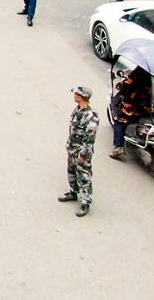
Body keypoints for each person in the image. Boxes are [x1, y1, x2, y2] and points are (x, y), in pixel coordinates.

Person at [58, 86, 98, 217]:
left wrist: (82, 155)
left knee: (84, 176)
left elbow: (89, 139)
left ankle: (85, 203)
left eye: (76, 94)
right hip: (72, 148)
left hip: (81, 151)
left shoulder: (91, 116)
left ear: (81, 97)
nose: (74, 95)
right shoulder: (78, 110)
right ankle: (73, 192)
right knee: (71, 171)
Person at [108, 67, 149, 160]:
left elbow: (123, 86)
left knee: (119, 121)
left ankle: (118, 147)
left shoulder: (137, 73)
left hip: (133, 108)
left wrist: (119, 84)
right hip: (147, 108)